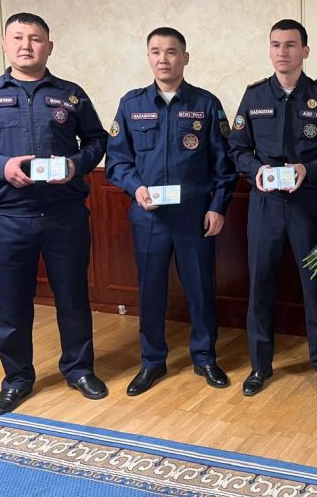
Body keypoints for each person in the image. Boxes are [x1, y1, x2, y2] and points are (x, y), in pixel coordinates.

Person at [0, 12, 108, 415]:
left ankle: (79, 369)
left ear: (48, 46)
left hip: (65, 214)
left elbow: (96, 140)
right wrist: (0, 166)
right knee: (13, 304)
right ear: (5, 43)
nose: (26, 45)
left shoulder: (71, 94)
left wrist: (75, 164)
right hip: (8, 217)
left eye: (35, 38)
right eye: (18, 37)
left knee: (73, 298)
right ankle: (17, 379)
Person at [106, 27, 237, 396]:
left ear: (185, 58)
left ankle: (205, 357)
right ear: (148, 57)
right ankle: (152, 361)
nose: (163, 59)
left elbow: (224, 165)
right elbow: (117, 161)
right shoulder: (131, 105)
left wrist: (217, 207)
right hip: (149, 216)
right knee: (150, 291)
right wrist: (136, 187)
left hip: (194, 215)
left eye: (171, 51)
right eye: (156, 51)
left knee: (200, 290)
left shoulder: (206, 104)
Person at [229, 19, 317, 398]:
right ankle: (260, 365)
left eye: (291, 45)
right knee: (260, 284)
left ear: (305, 51)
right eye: (276, 44)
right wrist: (256, 170)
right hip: (265, 204)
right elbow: (237, 149)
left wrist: (308, 169)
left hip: (307, 203)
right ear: (269, 50)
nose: (282, 52)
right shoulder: (254, 96)